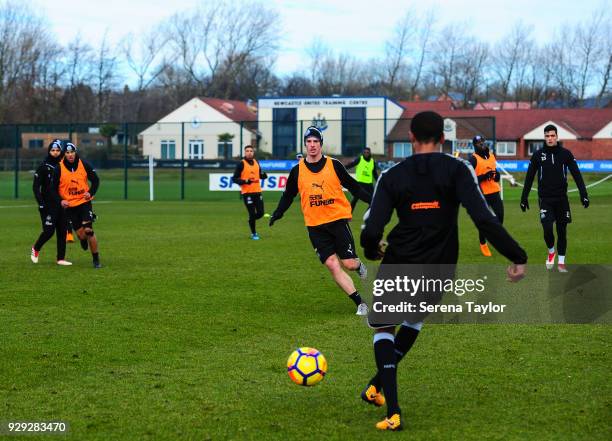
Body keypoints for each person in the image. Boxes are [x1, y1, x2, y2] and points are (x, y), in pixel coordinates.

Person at [360, 111, 527, 431]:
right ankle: (375, 386)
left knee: (383, 328)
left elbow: (371, 228)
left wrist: (371, 249)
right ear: (443, 139)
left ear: (410, 138)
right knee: (413, 320)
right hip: (440, 266)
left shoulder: (392, 175)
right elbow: (485, 218)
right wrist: (517, 255)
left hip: (400, 262)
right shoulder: (458, 169)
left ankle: (392, 412)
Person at [269, 126, 372, 315]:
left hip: (337, 221)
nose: (312, 145)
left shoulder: (334, 165)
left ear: (321, 144)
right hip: (315, 226)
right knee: (332, 265)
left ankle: (359, 266)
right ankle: (360, 302)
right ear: (305, 144)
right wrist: (278, 213)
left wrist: (373, 201)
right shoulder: (297, 171)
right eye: (309, 141)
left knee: (348, 264)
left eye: (316, 141)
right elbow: (288, 195)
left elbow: (354, 187)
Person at [520, 124, 589, 272]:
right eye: (547, 136)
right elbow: (529, 177)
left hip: (562, 199)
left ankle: (562, 262)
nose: (550, 138)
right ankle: (551, 252)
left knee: (562, 230)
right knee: (547, 228)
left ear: (557, 136)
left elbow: (577, 174)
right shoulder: (538, 155)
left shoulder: (566, 154)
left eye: (552, 135)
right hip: (545, 198)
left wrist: (584, 194)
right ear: (544, 137)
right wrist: (524, 197)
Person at [55, 142, 102, 268]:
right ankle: (82, 239)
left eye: (72, 152)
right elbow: (52, 189)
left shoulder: (84, 164)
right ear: (64, 154)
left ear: (76, 152)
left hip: (84, 203)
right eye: (67, 153)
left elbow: (96, 180)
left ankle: (96, 260)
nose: (70, 155)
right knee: (81, 234)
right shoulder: (58, 168)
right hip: (70, 207)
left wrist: (90, 192)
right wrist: (61, 200)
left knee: (89, 231)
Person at [31, 139, 71, 266]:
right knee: (48, 231)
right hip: (48, 205)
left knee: (62, 231)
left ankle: (60, 259)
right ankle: (36, 248)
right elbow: (36, 187)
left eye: (57, 150)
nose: (55, 152)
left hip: (62, 204)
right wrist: (41, 203)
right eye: (52, 150)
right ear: (49, 151)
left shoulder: (63, 166)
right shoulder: (43, 167)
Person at [468, 135, 503, 257]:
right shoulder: (473, 159)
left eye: (482, 141)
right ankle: (483, 243)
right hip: (482, 194)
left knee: (500, 217)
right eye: (478, 143)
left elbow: (496, 174)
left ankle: (495, 240)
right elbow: (470, 179)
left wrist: (495, 175)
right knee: (484, 220)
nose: (482, 144)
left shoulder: (492, 156)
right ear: (475, 145)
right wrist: (484, 176)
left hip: (494, 191)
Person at [232, 145, 268, 240]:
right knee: (252, 213)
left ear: (253, 152)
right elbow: (234, 178)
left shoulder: (256, 162)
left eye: (251, 151)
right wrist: (244, 181)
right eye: (247, 151)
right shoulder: (241, 164)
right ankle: (254, 233)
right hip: (247, 193)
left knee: (260, 213)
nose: (249, 152)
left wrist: (264, 175)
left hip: (257, 192)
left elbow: (260, 175)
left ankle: (251, 220)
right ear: (245, 152)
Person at [345, 147, 378, 212]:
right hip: (360, 184)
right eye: (364, 152)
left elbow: (375, 174)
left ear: (370, 153)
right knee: (355, 200)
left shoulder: (372, 162)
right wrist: (341, 168)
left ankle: (367, 215)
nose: (366, 153)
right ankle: (349, 214)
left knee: (373, 201)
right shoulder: (360, 159)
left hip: (369, 184)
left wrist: (379, 181)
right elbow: (351, 165)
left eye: (367, 152)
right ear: (363, 153)